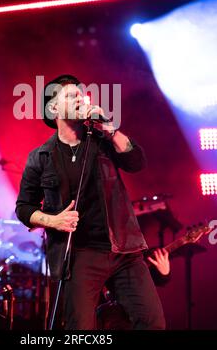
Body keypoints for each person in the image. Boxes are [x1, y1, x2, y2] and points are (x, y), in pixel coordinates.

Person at [16, 74, 165, 330]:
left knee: (152, 323)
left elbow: (136, 161)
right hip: (78, 256)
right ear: (53, 108)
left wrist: (108, 127)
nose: (79, 98)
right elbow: (24, 207)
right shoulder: (40, 157)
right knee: (81, 329)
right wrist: (53, 220)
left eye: (80, 95)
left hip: (123, 250)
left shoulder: (103, 143)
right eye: (70, 95)